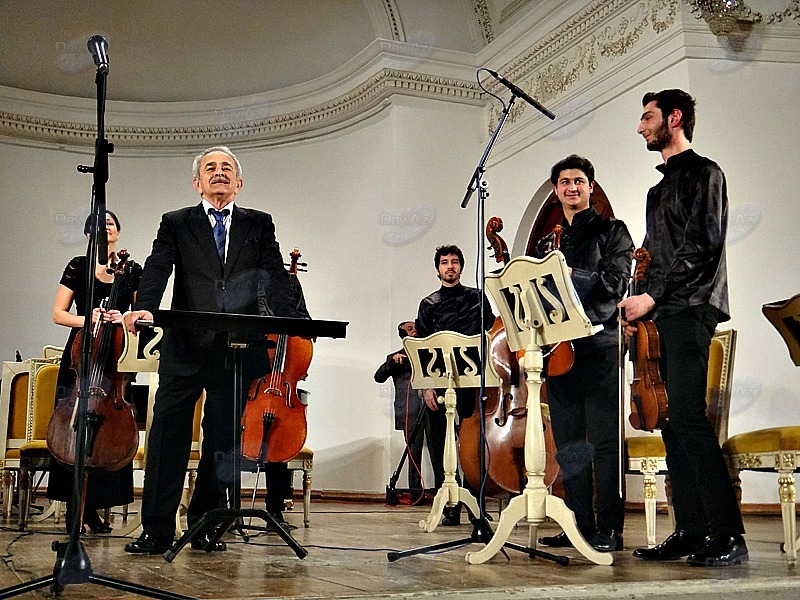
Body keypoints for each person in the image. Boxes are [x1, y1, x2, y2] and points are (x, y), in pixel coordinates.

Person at [123, 146, 303, 554]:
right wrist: (144, 307)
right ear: (197, 182)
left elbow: (274, 274)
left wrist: (292, 320)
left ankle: (205, 522)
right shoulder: (176, 222)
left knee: (222, 442)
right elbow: (157, 267)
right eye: (210, 168)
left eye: (227, 169)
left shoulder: (259, 223)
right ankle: (156, 530)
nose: (218, 173)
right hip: (185, 348)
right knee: (168, 437)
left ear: (238, 183)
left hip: (236, 352)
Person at [619, 89, 746, 567]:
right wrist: (637, 307)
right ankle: (691, 531)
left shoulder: (705, 173)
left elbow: (703, 246)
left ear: (674, 118)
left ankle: (729, 534)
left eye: (647, 117)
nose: (640, 127)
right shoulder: (656, 191)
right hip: (660, 314)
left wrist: (654, 296)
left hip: (693, 307)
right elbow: (652, 256)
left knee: (690, 419)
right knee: (670, 424)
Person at [532, 155, 633, 552]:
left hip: (599, 346)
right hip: (558, 354)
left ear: (591, 187)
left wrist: (570, 275)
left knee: (605, 442)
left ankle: (610, 528)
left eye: (578, 181)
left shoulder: (613, 231)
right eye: (563, 182)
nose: (571, 188)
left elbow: (615, 284)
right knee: (570, 446)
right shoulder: (548, 243)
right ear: (556, 191)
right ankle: (578, 524)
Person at [48, 210, 140, 534]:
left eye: (111, 224)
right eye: (99, 226)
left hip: (115, 358)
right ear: (89, 235)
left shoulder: (131, 270)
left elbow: (140, 317)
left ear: (119, 232)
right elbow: (59, 314)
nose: (106, 229)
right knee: (73, 427)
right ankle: (77, 506)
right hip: (80, 357)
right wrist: (90, 319)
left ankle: (95, 508)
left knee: (109, 430)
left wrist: (122, 318)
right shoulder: (77, 266)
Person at [415, 244, 494, 525]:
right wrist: (426, 387)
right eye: (444, 262)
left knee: (473, 444)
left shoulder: (477, 298)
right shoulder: (428, 304)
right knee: (439, 445)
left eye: (455, 262)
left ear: (461, 266)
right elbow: (422, 347)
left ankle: (476, 504)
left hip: (473, 381)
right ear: (438, 269)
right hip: (439, 381)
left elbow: (491, 334)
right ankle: (449, 506)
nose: (450, 266)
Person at [374, 321, 428, 499]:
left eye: (415, 327)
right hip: (410, 411)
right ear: (403, 335)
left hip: (432, 409)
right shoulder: (395, 357)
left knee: (440, 450)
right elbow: (378, 377)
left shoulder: (429, 353)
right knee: (414, 453)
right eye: (410, 329)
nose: (415, 331)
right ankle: (416, 494)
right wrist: (391, 362)